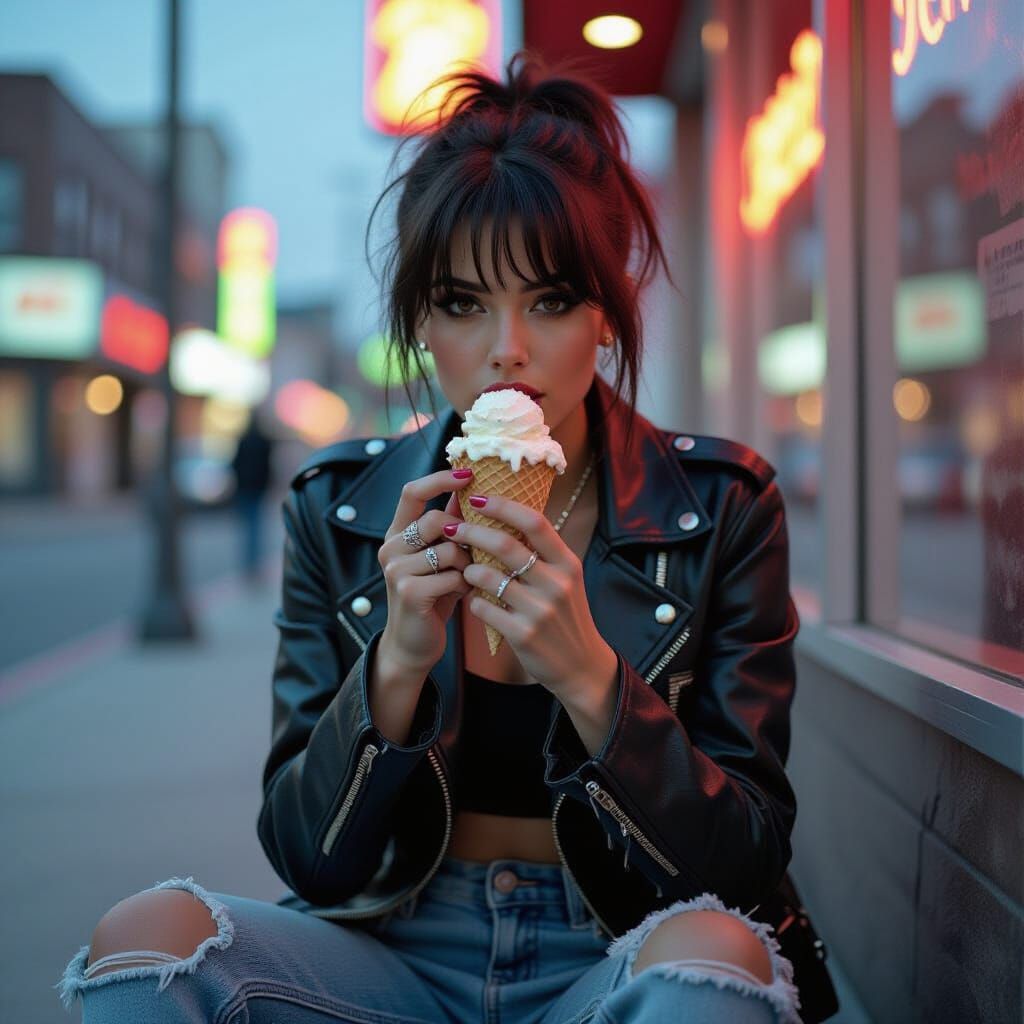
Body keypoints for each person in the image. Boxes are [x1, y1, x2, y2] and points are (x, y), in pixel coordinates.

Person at [58, 52, 808, 1023]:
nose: (506, 345)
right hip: (391, 950)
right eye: (462, 303)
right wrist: (398, 659)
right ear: (419, 319)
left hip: (618, 949)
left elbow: (742, 861)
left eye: (548, 299)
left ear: (607, 315)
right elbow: (309, 859)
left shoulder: (719, 506)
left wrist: (588, 675)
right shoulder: (340, 508)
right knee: (143, 938)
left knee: (717, 958)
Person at [229, 411, 275, 584]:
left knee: (247, 528)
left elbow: (234, 464)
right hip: (257, 489)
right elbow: (269, 467)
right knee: (255, 529)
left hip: (245, 489)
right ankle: (253, 567)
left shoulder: (244, 440)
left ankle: (248, 566)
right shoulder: (265, 441)